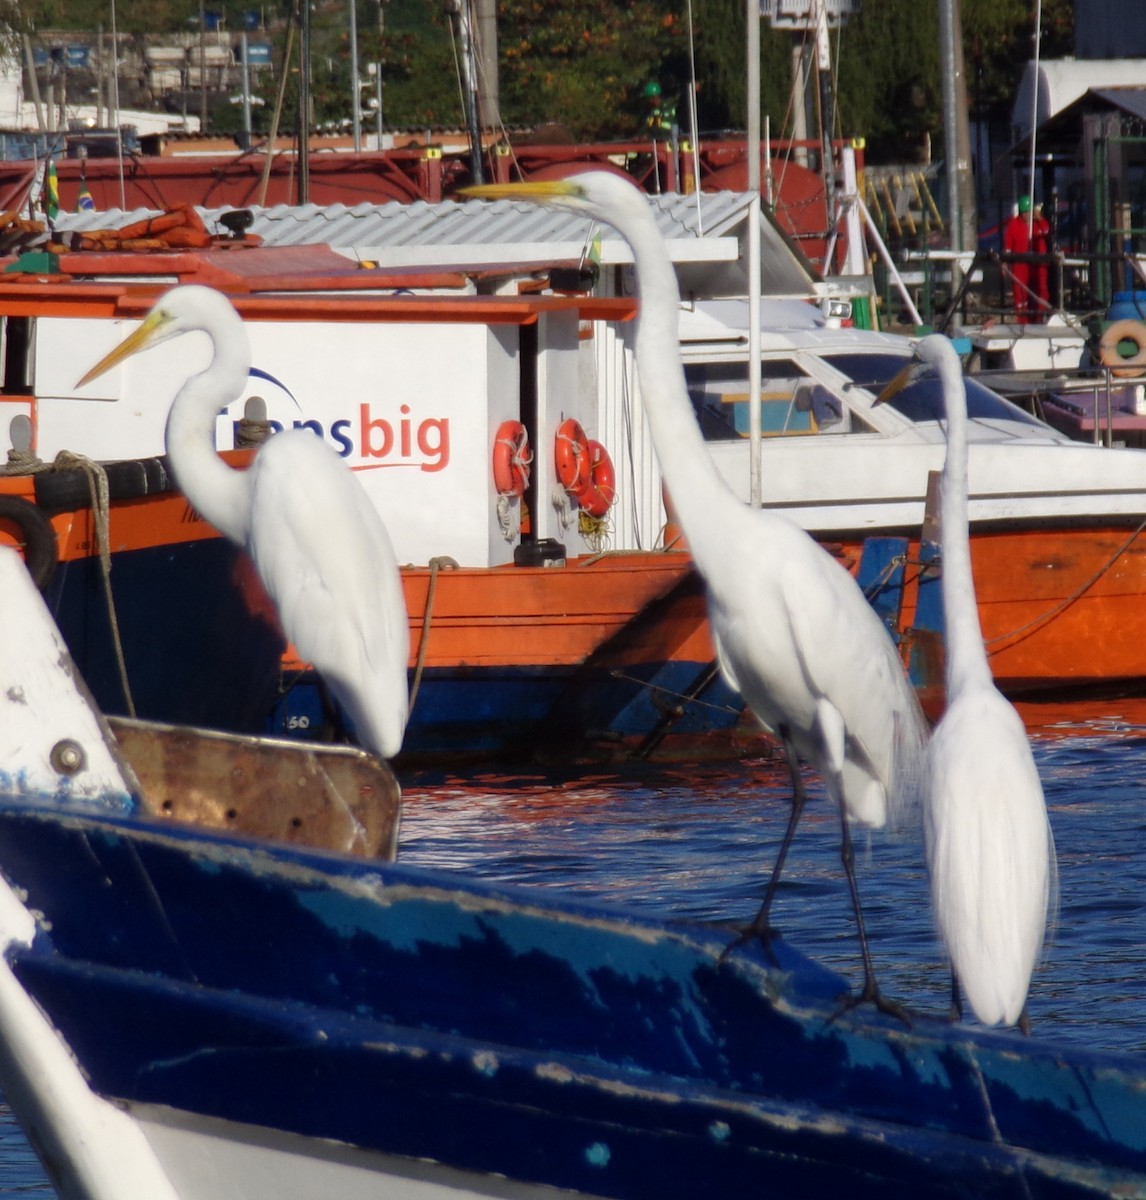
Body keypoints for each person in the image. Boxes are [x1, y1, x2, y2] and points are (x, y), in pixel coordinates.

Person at [1002, 195, 1051, 323]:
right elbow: (1008, 246)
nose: (1029, 215)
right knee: (1020, 293)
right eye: (1026, 213)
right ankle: (1023, 322)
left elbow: (1046, 231)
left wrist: (1039, 218)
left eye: (1030, 212)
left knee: (1041, 291)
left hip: (1038, 264)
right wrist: (1005, 263)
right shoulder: (1013, 225)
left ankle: (1039, 319)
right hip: (1020, 264)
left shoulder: (1037, 224)